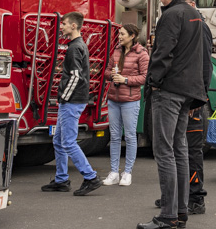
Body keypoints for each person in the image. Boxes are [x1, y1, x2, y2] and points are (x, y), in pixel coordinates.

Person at [137, 0, 212, 229]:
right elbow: (203, 57)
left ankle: (168, 215)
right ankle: (180, 211)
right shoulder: (196, 17)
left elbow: (162, 53)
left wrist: (153, 82)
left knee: (164, 150)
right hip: (188, 92)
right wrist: (200, 92)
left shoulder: (170, 15)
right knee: (179, 149)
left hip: (168, 90)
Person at [42, 12, 102, 197]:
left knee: (67, 141)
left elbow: (76, 76)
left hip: (71, 101)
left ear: (74, 26)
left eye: (65, 24)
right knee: (59, 140)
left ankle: (91, 177)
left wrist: (65, 97)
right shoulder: (79, 46)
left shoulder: (74, 48)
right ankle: (61, 179)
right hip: (73, 100)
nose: (61, 27)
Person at [104, 23, 149, 186]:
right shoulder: (116, 50)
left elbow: (145, 77)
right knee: (114, 136)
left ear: (132, 36)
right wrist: (112, 75)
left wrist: (126, 80)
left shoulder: (142, 53)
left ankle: (127, 172)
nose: (119, 36)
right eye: (119, 34)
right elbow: (107, 71)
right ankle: (114, 172)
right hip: (113, 99)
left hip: (130, 101)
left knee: (130, 136)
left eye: (122, 34)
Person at [184, 0, 214, 214]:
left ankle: (196, 198)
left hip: (194, 100)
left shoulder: (200, 28)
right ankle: (181, 194)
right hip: (187, 96)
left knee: (193, 151)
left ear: (192, 5)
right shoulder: (191, 26)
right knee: (180, 149)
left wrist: (200, 98)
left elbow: (205, 65)